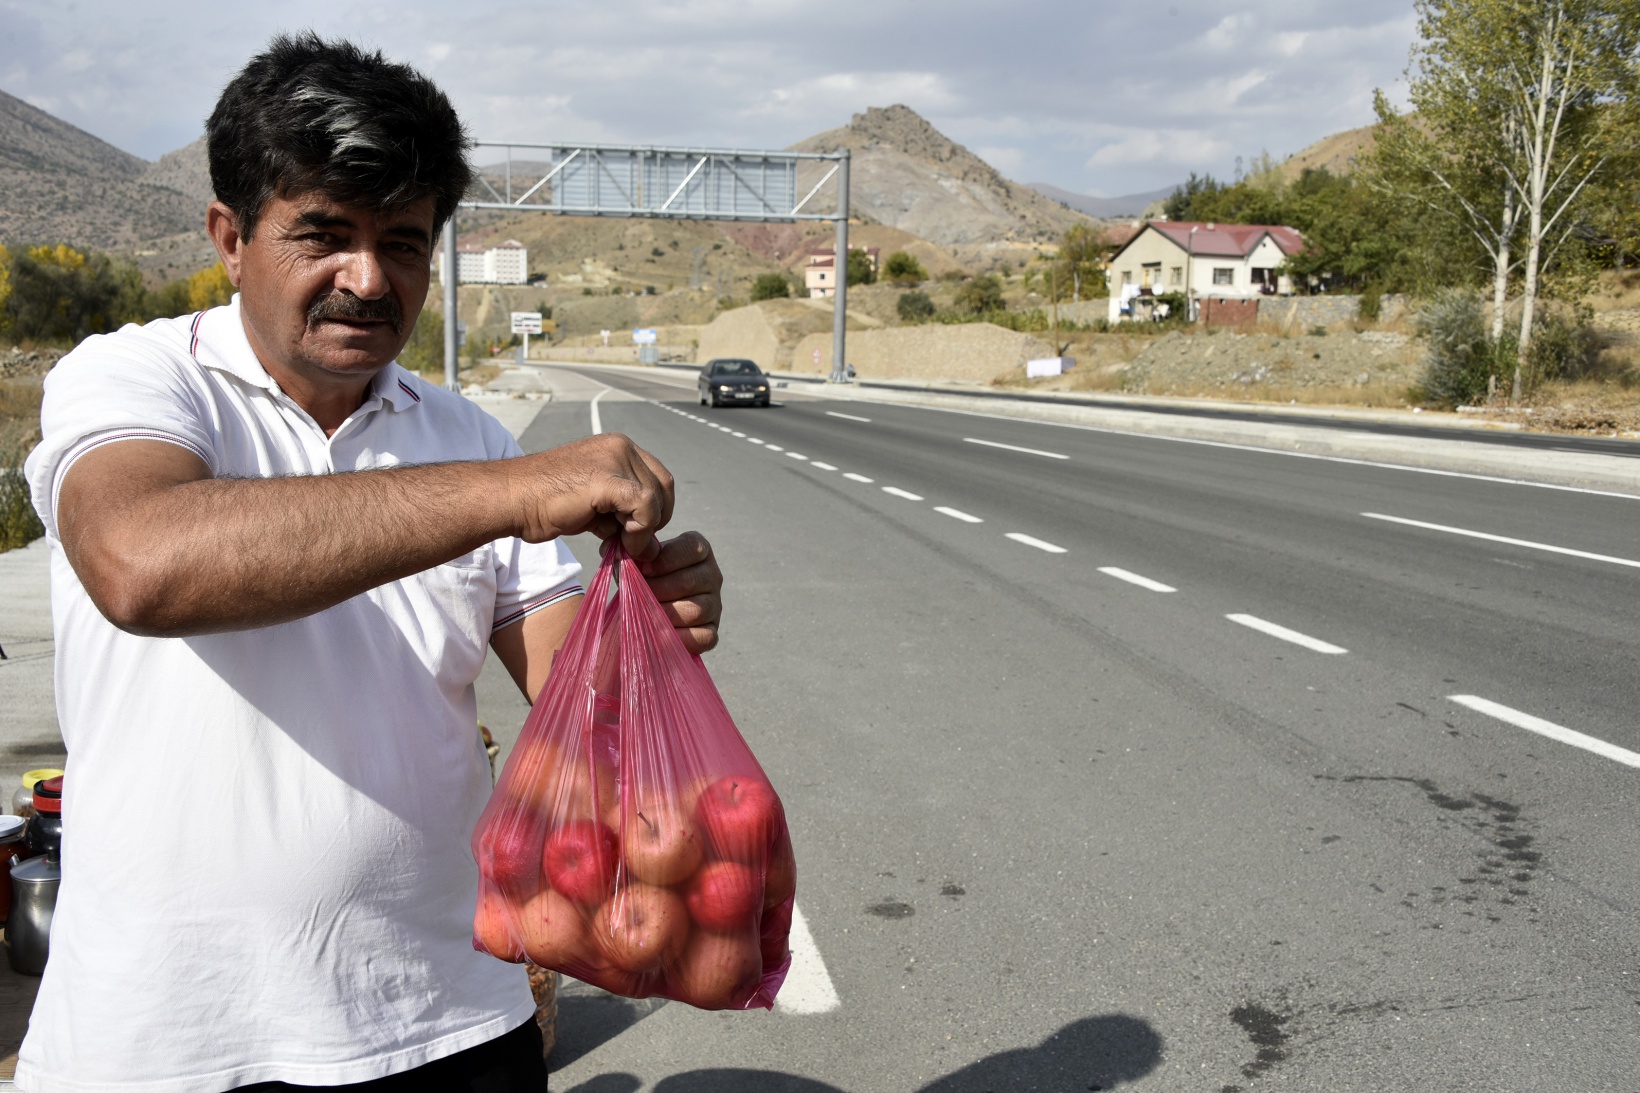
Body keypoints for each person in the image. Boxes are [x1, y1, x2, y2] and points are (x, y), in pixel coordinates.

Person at [19, 33, 722, 1092]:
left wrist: (649, 626)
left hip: (447, 1020)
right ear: (229, 235)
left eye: (402, 241)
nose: (367, 277)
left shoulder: (468, 433)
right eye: (324, 234)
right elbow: (141, 563)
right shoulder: (136, 380)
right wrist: (514, 494)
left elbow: (586, 702)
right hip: (167, 1043)